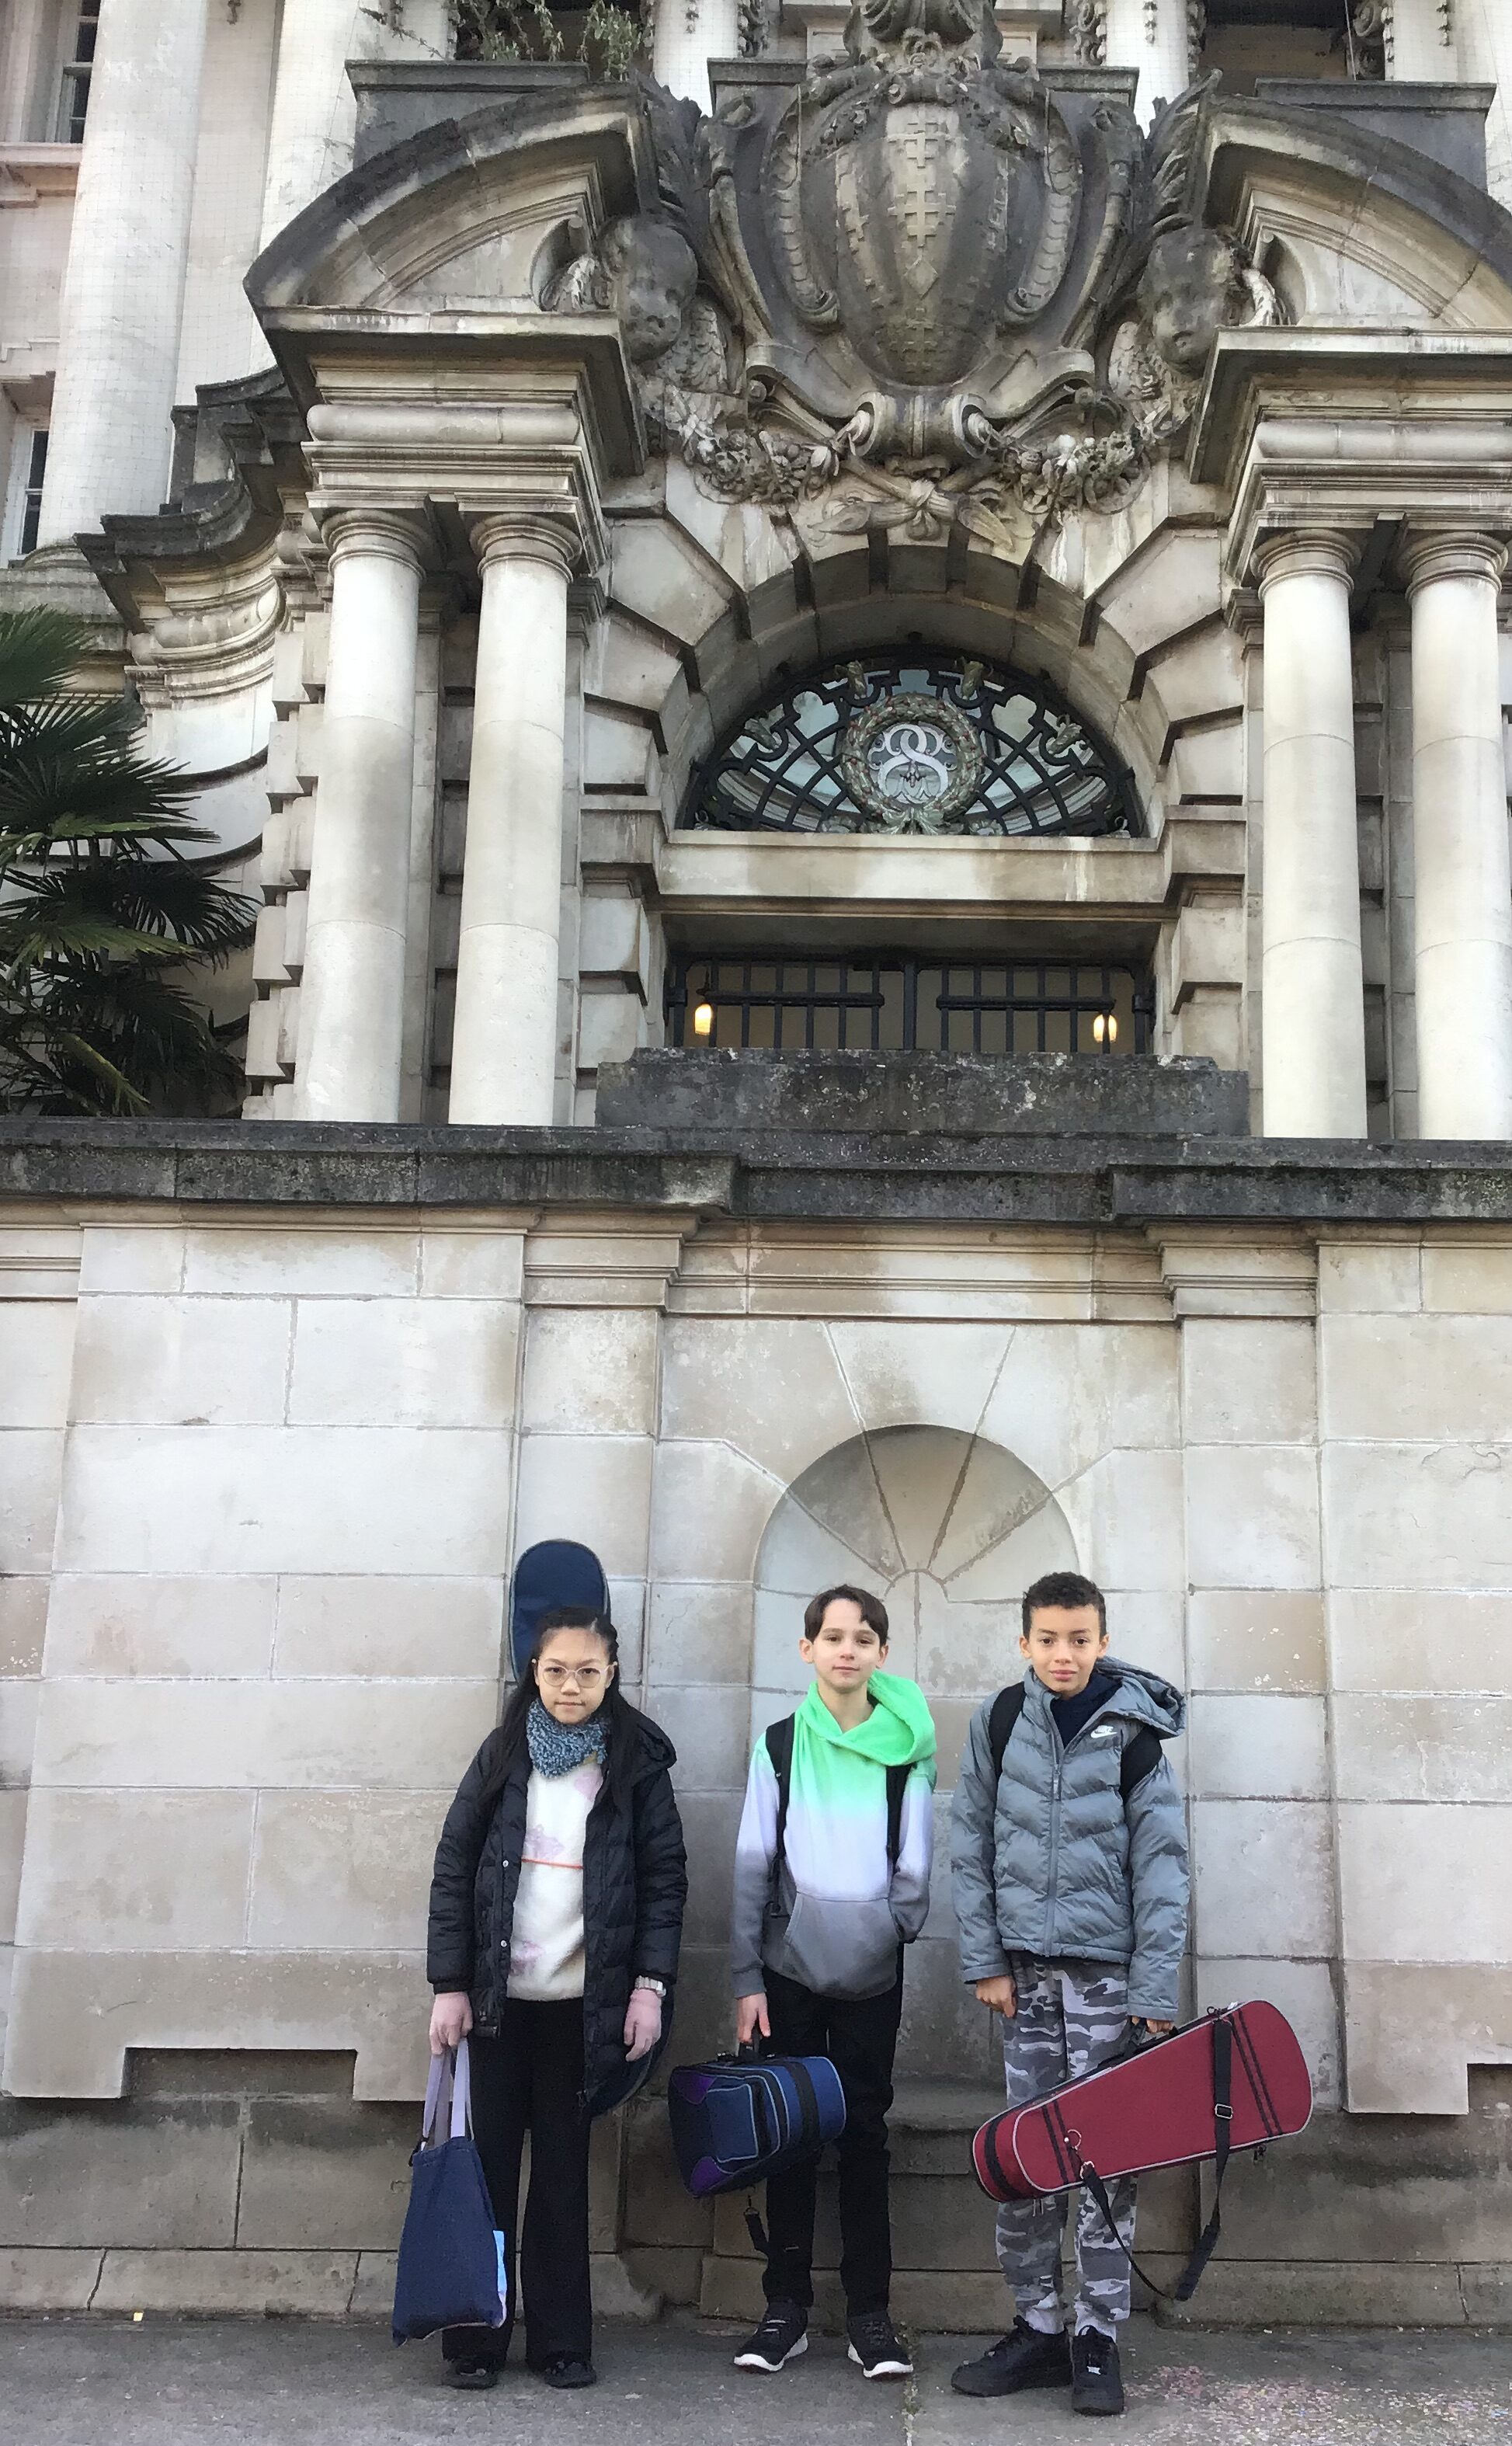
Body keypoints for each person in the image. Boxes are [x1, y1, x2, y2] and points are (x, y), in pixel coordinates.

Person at [426, 1607, 687, 2392]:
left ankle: (562, 2342)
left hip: (585, 2008)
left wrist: (650, 1988)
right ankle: (477, 2338)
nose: (571, 1685)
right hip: (500, 2005)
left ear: (612, 1673)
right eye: (555, 1670)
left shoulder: (637, 1761)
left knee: (566, 2179)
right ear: (532, 1673)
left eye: (587, 1671)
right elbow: (454, 1862)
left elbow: (664, 1881)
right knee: (490, 2171)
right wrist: (449, 1983)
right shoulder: (504, 1753)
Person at [949, 1570, 1188, 2420]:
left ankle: (1097, 2337)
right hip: (1023, 1983)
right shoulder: (1001, 1720)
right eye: (1048, 1638)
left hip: (1107, 1982)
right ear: (1025, 1641)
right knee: (1026, 2159)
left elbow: (1163, 1867)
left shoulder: (1134, 1735)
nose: (1063, 1653)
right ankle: (1037, 2326)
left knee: (1103, 2161)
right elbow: (970, 1839)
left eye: (1079, 1637)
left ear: (1101, 1637)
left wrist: (1154, 1986)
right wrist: (986, 1959)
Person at [729, 1584, 937, 2382]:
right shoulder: (780, 1744)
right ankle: (783, 2308)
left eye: (863, 1636)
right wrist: (749, 1974)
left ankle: (869, 2315)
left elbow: (915, 1864)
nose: (847, 1648)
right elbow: (755, 1860)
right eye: (832, 1634)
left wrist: (887, 1929)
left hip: (872, 1974)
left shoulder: (906, 1746)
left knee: (863, 2135)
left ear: (882, 1652)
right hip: (787, 1973)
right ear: (808, 1647)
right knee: (788, 2132)